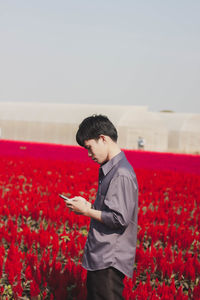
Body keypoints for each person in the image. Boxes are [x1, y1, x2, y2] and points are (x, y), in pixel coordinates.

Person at [66, 115, 138, 300]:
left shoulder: (121, 173)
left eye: (89, 147)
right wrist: (87, 205)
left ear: (103, 138)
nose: (89, 154)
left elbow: (119, 219)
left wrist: (86, 211)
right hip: (101, 257)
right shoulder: (111, 170)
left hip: (109, 261)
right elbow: (110, 210)